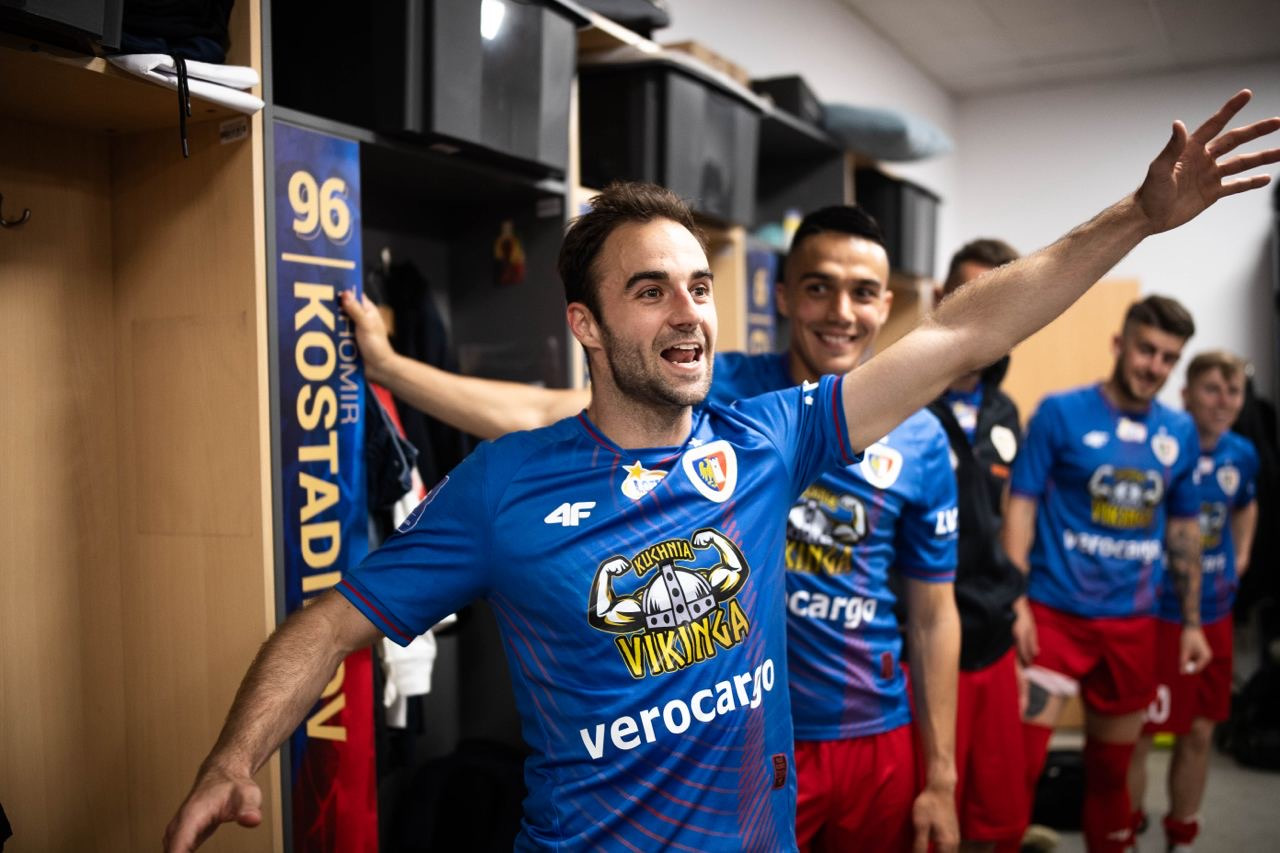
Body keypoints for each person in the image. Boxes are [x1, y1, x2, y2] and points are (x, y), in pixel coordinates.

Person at [164, 90, 1280, 852]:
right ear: (586, 325)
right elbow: (328, 623)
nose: (688, 311)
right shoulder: (505, 489)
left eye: (697, 286)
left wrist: (1138, 218)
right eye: (649, 290)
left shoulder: (766, 439)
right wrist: (234, 753)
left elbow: (958, 334)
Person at [345, 204, 965, 852]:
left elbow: (932, 614)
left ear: (886, 304)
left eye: (863, 293)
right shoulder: (716, 388)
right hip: (737, 746)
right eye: (818, 288)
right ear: (783, 296)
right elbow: (542, 411)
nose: (841, 312)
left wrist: (941, 774)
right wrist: (390, 369)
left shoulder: (920, 434)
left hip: (873, 731)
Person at [1004, 293, 1210, 853]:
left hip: (1132, 623)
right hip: (1053, 617)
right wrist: (1016, 602)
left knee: (1112, 772)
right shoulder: (1060, 413)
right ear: (1119, 345)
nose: (1155, 367)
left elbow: (1184, 530)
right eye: (1147, 350)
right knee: (1019, 768)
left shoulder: (1179, 432)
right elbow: (1020, 505)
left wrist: (1192, 623)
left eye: (1169, 358)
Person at [922, 239, 1030, 853]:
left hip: (991, 638)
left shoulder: (1004, 411)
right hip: (924, 646)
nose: (986, 315)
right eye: (972, 295)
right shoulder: (902, 401)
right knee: (932, 822)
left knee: (997, 822)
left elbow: (1002, 518)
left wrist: (1020, 608)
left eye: (1002, 301)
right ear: (942, 298)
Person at [1128, 350, 1259, 851]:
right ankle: (1126, 830)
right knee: (1141, 732)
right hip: (1161, 613)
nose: (1224, 401)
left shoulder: (1242, 453)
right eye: (1212, 389)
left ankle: (1181, 836)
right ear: (1185, 394)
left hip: (1216, 613)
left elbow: (1246, 504)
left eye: (1233, 391)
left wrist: (1241, 554)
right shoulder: (1161, 444)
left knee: (1201, 733)